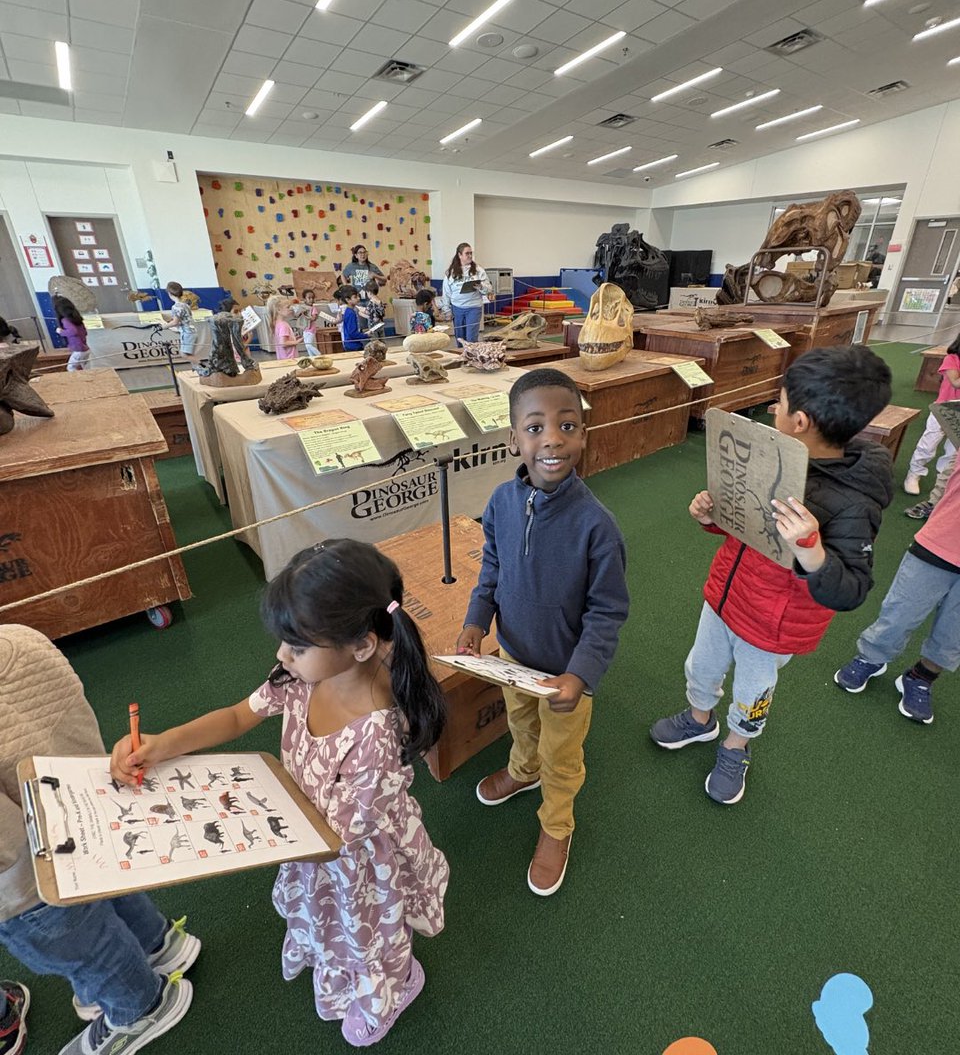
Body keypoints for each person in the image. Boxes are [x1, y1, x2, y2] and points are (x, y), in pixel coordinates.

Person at [110, 541, 448, 1049]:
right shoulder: (302, 676)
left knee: (372, 930)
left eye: (296, 644)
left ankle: (394, 987)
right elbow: (239, 715)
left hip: (352, 859)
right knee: (330, 922)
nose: (281, 655)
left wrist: (250, 827)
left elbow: (340, 836)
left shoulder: (376, 735)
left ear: (360, 645)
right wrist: (164, 744)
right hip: (306, 836)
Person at [649, 345, 894, 805]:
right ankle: (699, 720)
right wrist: (711, 514)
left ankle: (736, 746)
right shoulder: (771, 456)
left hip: (772, 627)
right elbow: (744, 525)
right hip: (725, 595)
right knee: (700, 666)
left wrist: (813, 548)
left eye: (778, 403)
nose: (771, 409)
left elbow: (852, 589)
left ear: (799, 421)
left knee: (753, 692)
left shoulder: (854, 502)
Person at [457, 368, 629, 896]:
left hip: (563, 680)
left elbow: (607, 612)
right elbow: (491, 568)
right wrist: (474, 622)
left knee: (563, 755)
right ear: (514, 439)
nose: (552, 438)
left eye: (567, 425)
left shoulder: (597, 526)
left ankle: (557, 825)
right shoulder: (502, 504)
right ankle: (520, 769)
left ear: (583, 433)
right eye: (534, 428)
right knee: (520, 724)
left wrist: (579, 675)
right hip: (512, 659)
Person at [0, 625, 198, 1055]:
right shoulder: (22, 636)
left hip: (28, 881)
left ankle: (141, 1006)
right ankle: (159, 944)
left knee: (84, 949)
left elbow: (5, 845)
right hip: (86, 815)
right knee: (109, 897)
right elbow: (79, 721)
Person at [835, 453, 960, 723]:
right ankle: (871, 657)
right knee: (901, 611)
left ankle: (922, 676)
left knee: (954, 635)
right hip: (939, 544)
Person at [903, 331, 960, 495]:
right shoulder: (952, 359)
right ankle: (914, 473)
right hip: (943, 408)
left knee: (953, 450)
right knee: (929, 443)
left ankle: (942, 481)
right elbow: (955, 382)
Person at [440, 244, 493, 346]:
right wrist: (446, 310)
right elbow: (446, 293)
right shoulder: (451, 272)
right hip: (457, 308)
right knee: (460, 338)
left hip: (474, 307)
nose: (469, 256)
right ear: (460, 255)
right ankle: (462, 359)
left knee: (471, 338)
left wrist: (481, 286)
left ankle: (471, 360)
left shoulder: (478, 270)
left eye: (471, 253)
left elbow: (489, 289)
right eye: (467, 253)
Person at [163, 282, 198, 363]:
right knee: (189, 354)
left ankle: (204, 368)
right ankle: (199, 369)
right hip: (191, 331)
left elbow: (175, 322)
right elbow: (184, 321)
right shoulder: (185, 305)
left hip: (187, 333)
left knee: (184, 354)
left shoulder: (176, 307)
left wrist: (164, 326)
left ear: (170, 293)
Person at [52, 296, 90, 372]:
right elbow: (85, 332)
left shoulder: (65, 320)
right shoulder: (77, 318)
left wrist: (60, 331)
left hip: (79, 350)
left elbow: (73, 331)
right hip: (85, 349)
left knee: (71, 368)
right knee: (84, 368)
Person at [266, 295, 298, 360]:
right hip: (289, 358)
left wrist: (293, 339)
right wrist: (297, 342)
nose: (290, 309)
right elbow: (283, 343)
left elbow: (284, 340)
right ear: (279, 310)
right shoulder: (283, 325)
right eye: (288, 307)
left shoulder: (277, 323)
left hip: (282, 358)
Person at [336, 286, 364, 352]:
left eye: (358, 296)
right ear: (347, 300)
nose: (358, 298)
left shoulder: (349, 310)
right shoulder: (351, 313)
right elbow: (352, 333)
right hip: (353, 346)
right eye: (355, 297)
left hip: (350, 343)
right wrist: (366, 335)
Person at [296, 289, 320, 357]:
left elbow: (314, 318)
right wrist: (301, 312)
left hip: (311, 329)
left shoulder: (313, 308)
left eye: (312, 298)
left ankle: (319, 355)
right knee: (307, 346)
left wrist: (307, 316)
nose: (311, 299)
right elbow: (297, 315)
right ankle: (312, 357)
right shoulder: (302, 307)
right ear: (304, 299)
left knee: (308, 345)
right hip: (305, 328)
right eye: (309, 298)